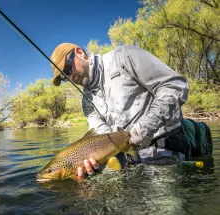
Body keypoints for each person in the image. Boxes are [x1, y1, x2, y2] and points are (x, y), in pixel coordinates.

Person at [50, 43, 191, 179]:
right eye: (64, 77)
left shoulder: (124, 56)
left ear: (80, 53)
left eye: (67, 69)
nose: (70, 77)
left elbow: (173, 85)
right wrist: (94, 162)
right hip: (127, 165)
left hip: (164, 155)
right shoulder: (86, 101)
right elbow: (102, 136)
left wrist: (146, 127)